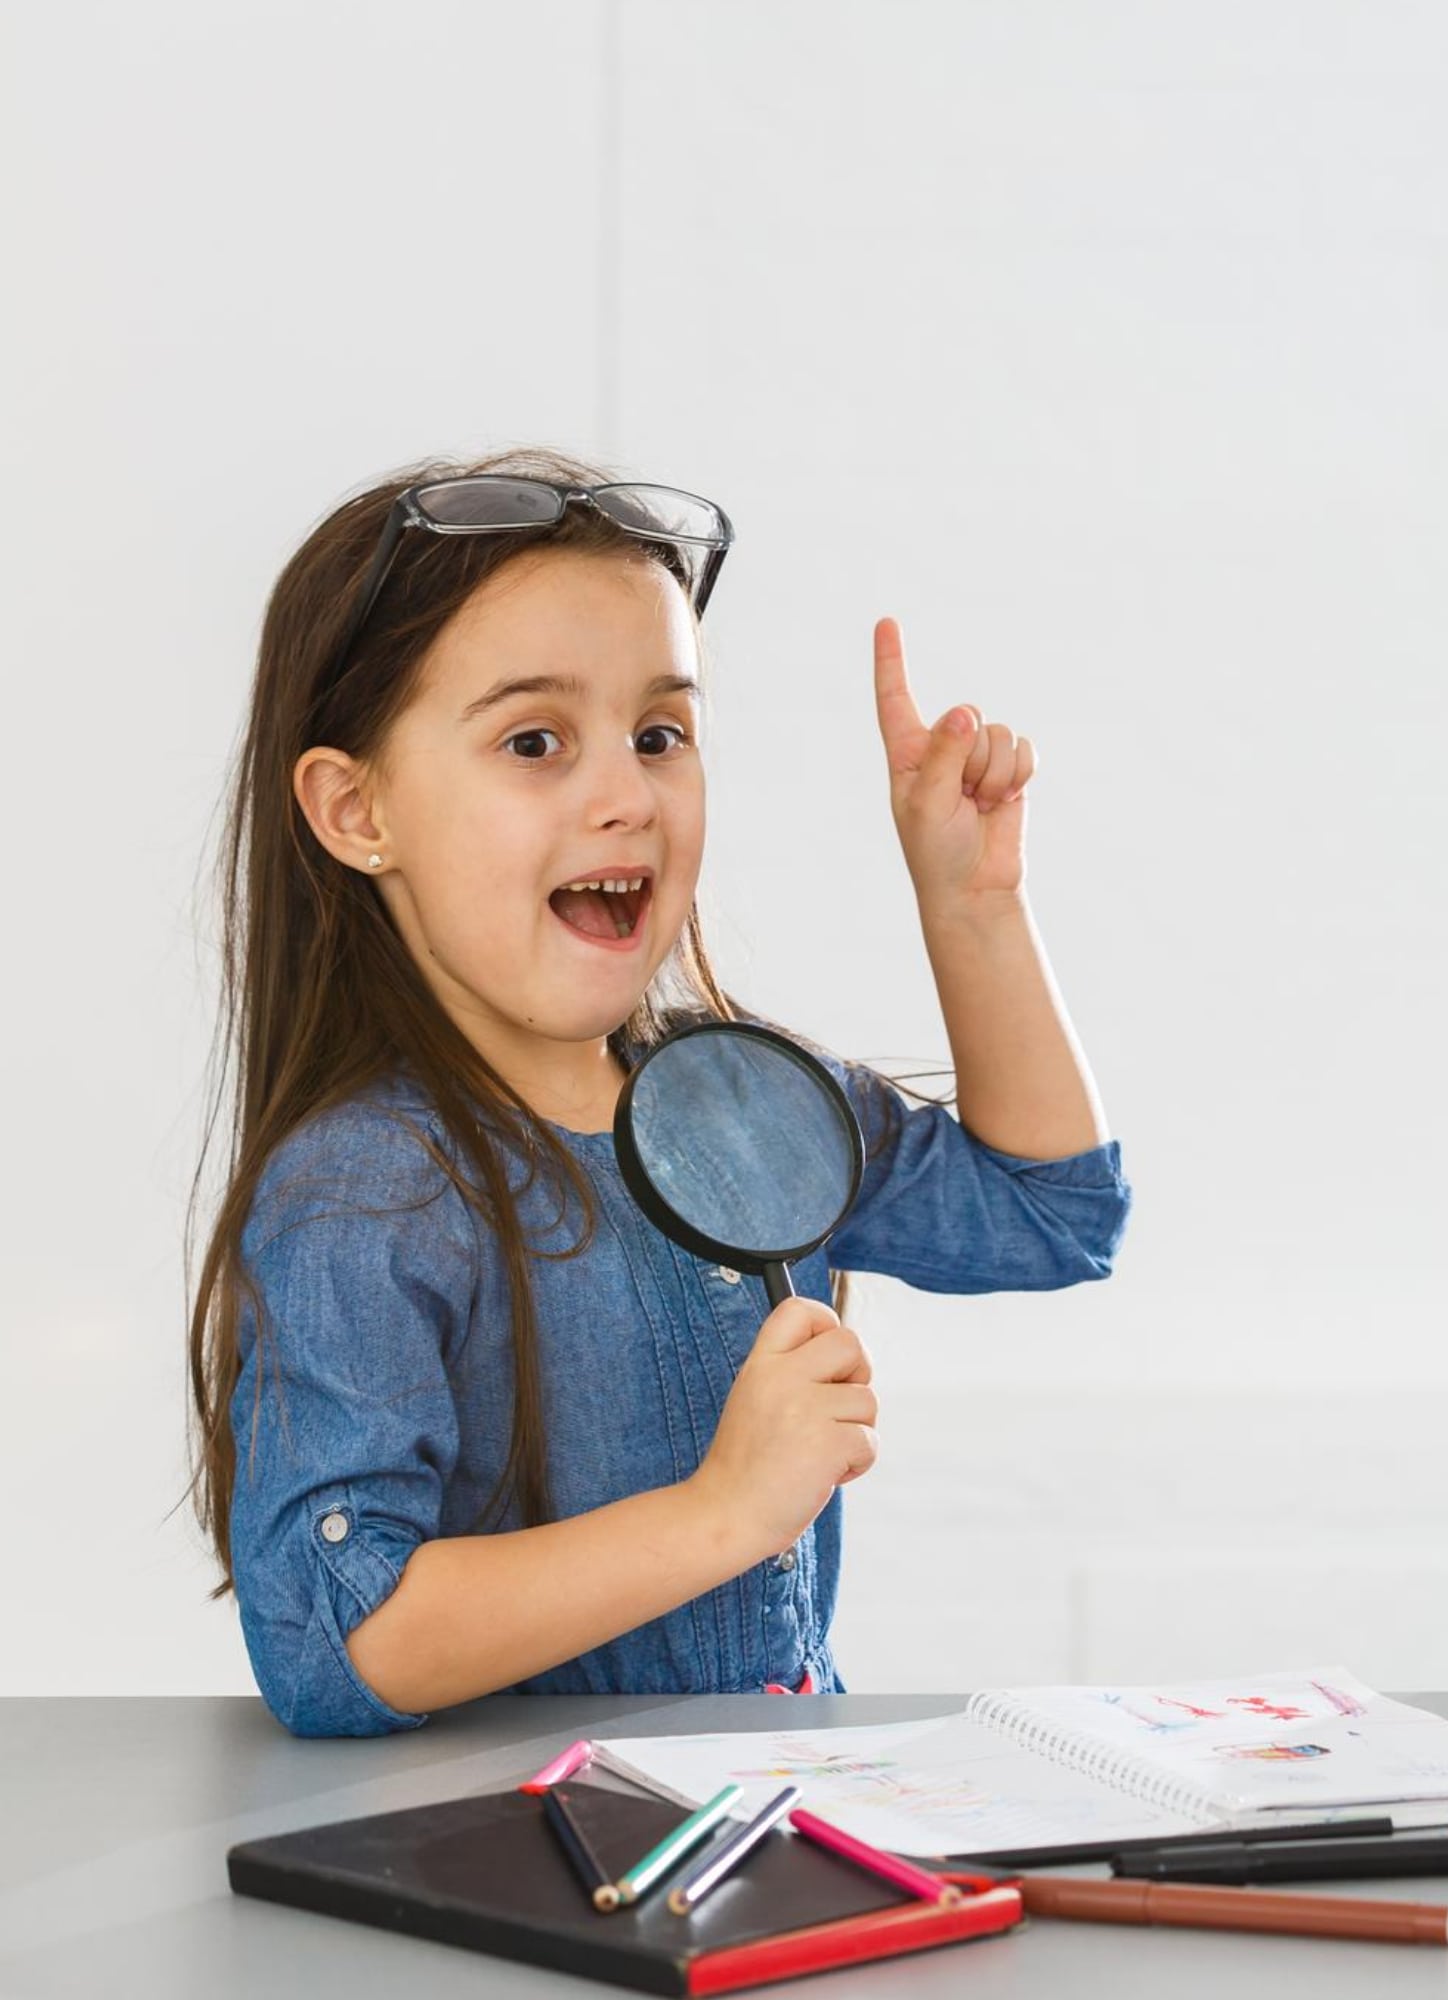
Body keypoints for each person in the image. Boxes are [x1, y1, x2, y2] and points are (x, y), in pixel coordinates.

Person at [187, 450, 1129, 1735]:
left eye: (660, 733)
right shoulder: (369, 1185)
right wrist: (724, 1510)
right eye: (535, 741)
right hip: (534, 1869)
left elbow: (1053, 1213)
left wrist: (974, 908)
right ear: (358, 810)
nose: (626, 795)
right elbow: (339, 1640)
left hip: (765, 1830)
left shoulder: (741, 1102)